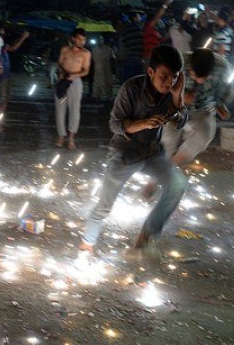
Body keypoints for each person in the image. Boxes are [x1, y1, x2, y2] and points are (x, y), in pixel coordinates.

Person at [80, 45, 188, 254]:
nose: (168, 83)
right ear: (151, 72)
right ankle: (87, 244)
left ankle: (148, 233)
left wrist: (178, 96)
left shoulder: (172, 92)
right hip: (125, 152)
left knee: (178, 184)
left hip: (152, 153)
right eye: (163, 77)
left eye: (174, 78)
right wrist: (144, 123)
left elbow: (181, 121)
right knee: (105, 204)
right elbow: (115, 124)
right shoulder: (131, 88)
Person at [161, 48, 233, 167]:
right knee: (168, 139)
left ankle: (172, 167)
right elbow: (160, 89)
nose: (199, 81)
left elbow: (227, 90)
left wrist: (220, 105)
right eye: (195, 76)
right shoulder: (177, 64)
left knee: (204, 135)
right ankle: (158, 170)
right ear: (190, 67)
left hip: (202, 109)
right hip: (175, 108)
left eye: (203, 78)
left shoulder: (223, 69)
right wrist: (180, 97)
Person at [0, 30, 30, 140]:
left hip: (5, 77)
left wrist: (23, 37)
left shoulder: (2, 45)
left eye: (3, 33)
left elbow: (13, 48)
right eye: (0, 33)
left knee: (2, 104)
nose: (3, 35)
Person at [55, 28, 91, 149]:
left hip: (75, 81)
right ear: (73, 38)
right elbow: (59, 63)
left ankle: (71, 138)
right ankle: (61, 136)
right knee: (60, 109)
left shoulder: (86, 53)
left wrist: (75, 75)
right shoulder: (65, 50)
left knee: (74, 110)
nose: (82, 42)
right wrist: (60, 72)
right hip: (62, 81)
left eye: (84, 40)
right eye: (80, 39)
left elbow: (86, 70)